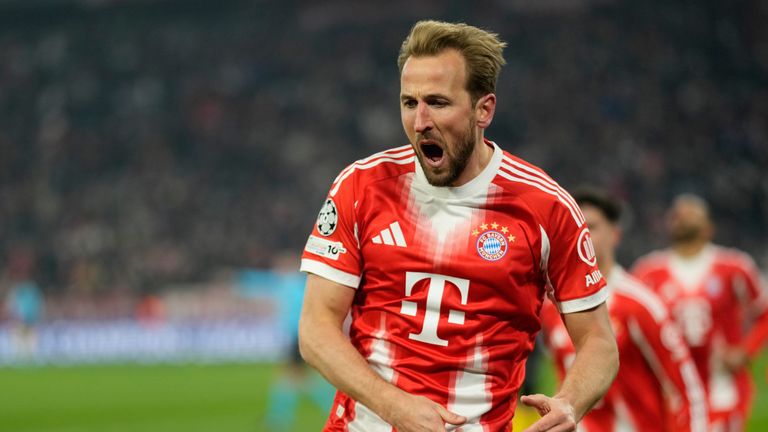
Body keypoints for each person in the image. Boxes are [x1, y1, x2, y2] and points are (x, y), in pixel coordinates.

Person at [298, 20, 618, 432]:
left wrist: (570, 403)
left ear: (484, 109)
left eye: (438, 102)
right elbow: (315, 328)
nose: (420, 122)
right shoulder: (362, 186)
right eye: (409, 102)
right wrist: (393, 406)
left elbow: (599, 341)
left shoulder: (545, 207)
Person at [539, 187, 707, 431]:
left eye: (592, 227)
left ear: (615, 235)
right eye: (574, 226)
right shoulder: (551, 307)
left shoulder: (640, 304)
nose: (581, 235)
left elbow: (687, 390)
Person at [632, 194, 768, 432]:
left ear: (709, 227)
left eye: (692, 212)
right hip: (670, 389)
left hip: (722, 388)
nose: (683, 216)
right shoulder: (648, 272)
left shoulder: (733, 267)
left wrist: (745, 352)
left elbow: (764, 313)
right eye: (678, 213)